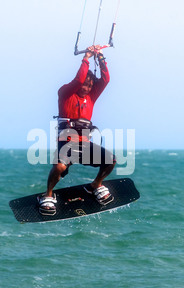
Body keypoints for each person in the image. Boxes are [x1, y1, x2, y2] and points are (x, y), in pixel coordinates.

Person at [38, 45, 116, 215]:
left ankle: (96, 184)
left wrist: (101, 58)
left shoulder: (91, 97)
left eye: (90, 86)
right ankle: (48, 195)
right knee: (59, 167)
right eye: (85, 85)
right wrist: (86, 58)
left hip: (85, 144)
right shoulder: (65, 93)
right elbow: (79, 80)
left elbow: (105, 80)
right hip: (67, 143)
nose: (87, 88)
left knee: (111, 160)